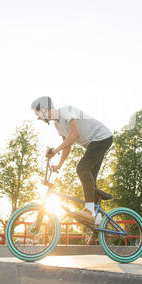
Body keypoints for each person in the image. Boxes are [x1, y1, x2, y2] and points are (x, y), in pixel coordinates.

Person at [31, 96, 113, 226]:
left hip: (101, 138)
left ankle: (89, 212)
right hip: (94, 143)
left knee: (82, 168)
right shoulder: (57, 125)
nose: (38, 118)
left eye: (38, 113)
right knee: (90, 182)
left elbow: (74, 134)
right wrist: (59, 165)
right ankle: (99, 223)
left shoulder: (66, 111)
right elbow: (67, 146)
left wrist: (55, 150)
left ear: (45, 109)